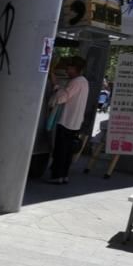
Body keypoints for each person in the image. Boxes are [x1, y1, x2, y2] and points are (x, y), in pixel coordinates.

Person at [47, 56, 89, 185]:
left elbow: (62, 98)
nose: (67, 71)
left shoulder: (76, 81)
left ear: (75, 68)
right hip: (75, 121)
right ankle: (64, 176)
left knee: (61, 150)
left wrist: (55, 85)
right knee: (68, 151)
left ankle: (57, 176)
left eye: (69, 68)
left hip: (66, 120)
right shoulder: (84, 81)